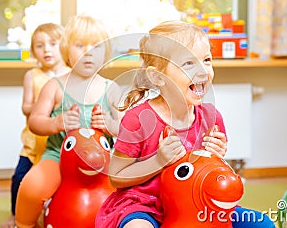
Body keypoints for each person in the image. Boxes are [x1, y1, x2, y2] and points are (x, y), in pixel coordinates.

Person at [95, 20, 275, 228]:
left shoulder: (211, 117)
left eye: (207, 60)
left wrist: (217, 157)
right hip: (146, 206)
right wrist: (158, 161)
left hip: (197, 202)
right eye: (188, 63)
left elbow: (209, 173)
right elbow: (116, 176)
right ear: (158, 77)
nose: (202, 71)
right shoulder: (138, 119)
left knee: (262, 224)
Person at [15, 15, 122, 228]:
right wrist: (56, 123)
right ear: (66, 50)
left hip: (102, 162)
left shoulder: (112, 89)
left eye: (96, 46)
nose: (88, 51)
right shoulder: (54, 86)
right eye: (80, 45)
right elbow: (35, 121)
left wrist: (109, 125)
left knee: (131, 189)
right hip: (58, 157)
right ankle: (23, 224)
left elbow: (124, 128)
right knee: (32, 186)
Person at [0, 23, 70, 228]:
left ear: (64, 47)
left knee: (58, 182)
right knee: (20, 177)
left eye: (52, 44)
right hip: (34, 142)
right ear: (33, 51)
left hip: (58, 141)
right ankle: (16, 215)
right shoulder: (32, 75)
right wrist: (44, 104)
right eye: (39, 46)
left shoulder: (69, 75)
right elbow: (26, 107)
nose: (46, 50)